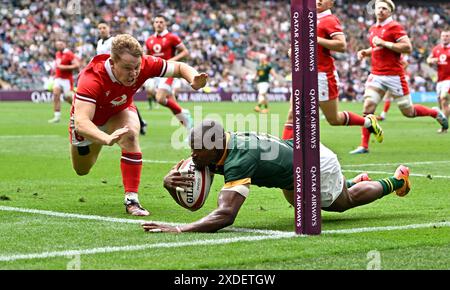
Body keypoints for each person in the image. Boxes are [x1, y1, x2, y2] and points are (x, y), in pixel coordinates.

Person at [141, 119, 410, 233]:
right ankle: (348, 182)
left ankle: (396, 180)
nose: (193, 156)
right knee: (299, 202)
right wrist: (168, 183)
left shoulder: (239, 159)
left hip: (314, 164)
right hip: (293, 165)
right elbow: (194, 200)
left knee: (341, 203)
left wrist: (180, 228)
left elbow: (226, 215)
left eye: (197, 151)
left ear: (213, 147)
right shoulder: (221, 147)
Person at [70, 34, 208, 216]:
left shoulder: (145, 64)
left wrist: (193, 78)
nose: (134, 73)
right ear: (112, 63)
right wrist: (105, 138)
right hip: (90, 122)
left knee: (130, 136)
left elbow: (180, 67)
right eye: (127, 68)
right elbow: (81, 122)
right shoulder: (92, 78)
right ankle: (96, 144)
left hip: (119, 112)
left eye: (136, 67)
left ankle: (131, 200)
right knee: (82, 169)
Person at [350, 0, 448, 154]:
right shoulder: (373, 28)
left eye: (384, 8)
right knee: (368, 107)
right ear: (374, 10)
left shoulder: (394, 27)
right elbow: (376, 48)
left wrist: (385, 43)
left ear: (390, 11)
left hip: (394, 76)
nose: (381, 10)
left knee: (408, 112)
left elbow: (407, 47)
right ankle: (364, 145)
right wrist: (365, 52)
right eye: (378, 8)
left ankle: (434, 112)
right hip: (376, 74)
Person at [281, 0, 384, 142]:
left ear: (331, 4)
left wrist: (315, 39)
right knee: (293, 114)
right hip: (303, 73)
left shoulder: (329, 20)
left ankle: (368, 122)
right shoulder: (306, 19)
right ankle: (285, 153)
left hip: (322, 75)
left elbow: (341, 45)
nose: (319, 0)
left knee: (334, 119)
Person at [96, 22, 148, 136]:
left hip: (119, 76)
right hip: (105, 77)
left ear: (109, 28)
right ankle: (141, 122)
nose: (102, 30)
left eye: (104, 27)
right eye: (99, 28)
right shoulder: (99, 43)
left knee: (126, 101)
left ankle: (139, 123)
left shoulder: (113, 42)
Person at [144, 14, 192, 130]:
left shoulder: (172, 37)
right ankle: (189, 129)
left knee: (160, 98)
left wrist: (171, 61)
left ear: (165, 24)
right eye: (156, 22)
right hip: (157, 75)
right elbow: (146, 57)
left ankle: (184, 112)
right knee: (173, 106)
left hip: (169, 72)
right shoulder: (149, 40)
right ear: (153, 24)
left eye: (161, 22)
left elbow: (185, 52)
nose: (158, 24)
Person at [48, 40, 80, 123]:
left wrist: (64, 67)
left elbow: (77, 65)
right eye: (57, 44)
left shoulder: (69, 54)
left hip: (67, 80)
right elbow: (57, 66)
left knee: (68, 98)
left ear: (64, 44)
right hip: (58, 78)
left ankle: (80, 112)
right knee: (56, 94)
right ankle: (57, 116)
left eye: (61, 44)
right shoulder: (57, 54)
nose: (59, 46)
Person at [427, 30, 450, 133]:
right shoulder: (436, 49)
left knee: (444, 98)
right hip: (440, 80)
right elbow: (429, 60)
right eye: (443, 36)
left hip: (449, 79)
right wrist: (431, 61)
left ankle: (444, 127)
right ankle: (445, 118)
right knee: (441, 104)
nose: (445, 37)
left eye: (447, 36)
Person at [377, 54, 410, 121]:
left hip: (396, 79)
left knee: (389, 97)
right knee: (388, 97)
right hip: (395, 78)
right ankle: (383, 115)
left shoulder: (396, 55)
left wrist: (399, 71)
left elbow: (406, 63)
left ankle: (383, 115)